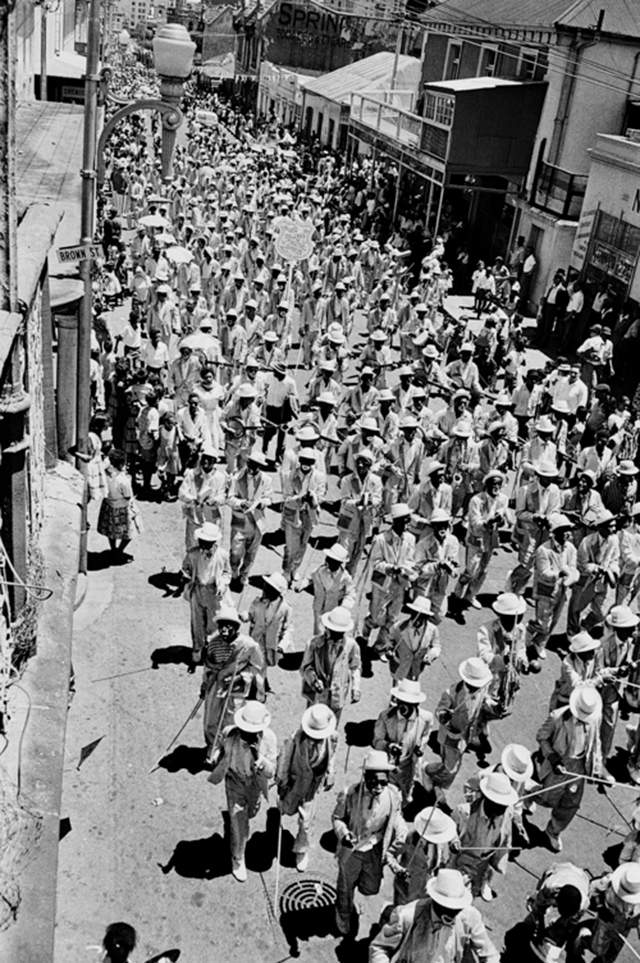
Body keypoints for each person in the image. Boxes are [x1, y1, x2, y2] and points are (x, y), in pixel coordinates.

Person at [332, 749, 407, 937]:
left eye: (384, 781)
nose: (379, 786)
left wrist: (402, 833)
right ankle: (343, 913)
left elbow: (397, 819)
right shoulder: (349, 793)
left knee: (370, 888)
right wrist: (344, 834)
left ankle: (352, 896)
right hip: (352, 850)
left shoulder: (393, 795)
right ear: (366, 776)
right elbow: (337, 818)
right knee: (345, 885)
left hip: (375, 849)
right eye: (375, 780)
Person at [208, 701, 277, 883]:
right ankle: (238, 857)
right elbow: (219, 749)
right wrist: (215, 757)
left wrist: (260, 759)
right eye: (245, 730)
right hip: (234, 782)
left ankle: (236, 826)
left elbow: (271, 772)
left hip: (254, 784)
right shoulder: (229, 733)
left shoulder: (269, 739)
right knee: (239, 822)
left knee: (251, 813)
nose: (248, 735)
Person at [536, 684, 610, 852]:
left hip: (578, 768)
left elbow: (595, 743)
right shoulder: (557, 717)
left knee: (571, 803)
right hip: (558, 765)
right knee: (546, 797)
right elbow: (541, 737)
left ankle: (553, 831)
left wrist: (598, 769)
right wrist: (552, 757)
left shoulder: (594, 718)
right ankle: (523, 799)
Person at [369, 867, 499, 963]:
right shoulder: (406, 916)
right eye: (447, 907)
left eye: (457, 908)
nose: (452, 913)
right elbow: (379, 948)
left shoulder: (470, 917)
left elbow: (490, 955)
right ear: (434, 901)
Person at [276, 704, 337, 872]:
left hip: (312, 786)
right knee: (287, 809)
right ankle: (281, 807)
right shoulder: (295, 737)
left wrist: (331, 773)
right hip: (294, 783)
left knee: (306, 822)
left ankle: (301, 850)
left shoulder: (332, 738)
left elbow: (332, 756)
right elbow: (284, 760)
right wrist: (281, 781)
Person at [200, 606, 265, 760]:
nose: (225, 629)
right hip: (216, 685)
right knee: (211, 718)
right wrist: (204, 686)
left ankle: (227, 750)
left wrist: (240, 677)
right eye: (221, 625)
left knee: (230, 719)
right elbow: (208, 668)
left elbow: (257, 667)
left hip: (236, 688)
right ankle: (212, 747)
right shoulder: (214, 643)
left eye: (229, 625)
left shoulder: (249, 645)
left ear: (236, 627)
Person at [427, 657, 494, 792]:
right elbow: (439, 712)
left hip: (466, 736)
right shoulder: (452, 693)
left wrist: (493, 706)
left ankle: (431, 773)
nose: (477, 687)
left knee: (454, 764)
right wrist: (445, 716)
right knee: (451, 767)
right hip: (450, 737)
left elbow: (485, 700)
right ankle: (434, 781)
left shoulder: (481, 690)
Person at [361, 502, 416, 658]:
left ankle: (380, 647)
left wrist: (407, 570)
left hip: (400, 585)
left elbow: (411, 559)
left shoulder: (410, 539)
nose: (408, 523)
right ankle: (366, 629)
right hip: (382, 584)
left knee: (392, 618)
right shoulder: (381, 539)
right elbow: (375, 562)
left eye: (408, 519)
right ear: (396, 521)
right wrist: (391, 568)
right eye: (405, 520)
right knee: (377, 617)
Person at [451, 771, 516, 901]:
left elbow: (505, 837)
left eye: (505, 804)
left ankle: (483, 879)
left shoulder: (507, 813)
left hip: (482, 865)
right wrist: (453, 841)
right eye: (499, 803)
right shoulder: (464, 812)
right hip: (458, 866)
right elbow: (448, 833)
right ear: (487, 798)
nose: (503, 809)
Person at [452, 471, 508, 610]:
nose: (496, 487)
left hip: (491, 539)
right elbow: (475, 523)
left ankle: (471, 596)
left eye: (499, 484)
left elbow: (505, 520)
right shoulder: (476, 500)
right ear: (487, 484)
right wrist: (489, 522)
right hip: (475, 538)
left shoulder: (503, 499)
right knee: (471, 569)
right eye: (493, 483)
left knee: (483, 570)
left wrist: (501, 521)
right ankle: (457, 592)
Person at [180, 521, 231, 670]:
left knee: (214, 622)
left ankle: (214, 650)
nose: (204, 544)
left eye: (207, 542)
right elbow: (186, 568)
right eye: (202, 541)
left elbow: (227, 573)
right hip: (197, 590)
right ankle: (197, 648)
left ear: (214, 542)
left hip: (214, 593)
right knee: (197, 621)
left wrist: (222, 584)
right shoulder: (192, 554)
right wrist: (185, 575)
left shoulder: (222, 555)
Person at [373, 679, 433, 805]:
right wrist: (388, 746)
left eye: (409, 703)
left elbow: (426, 734)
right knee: (385, 796)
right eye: (402, 701)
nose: (404, 706)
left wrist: (420, 747)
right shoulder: (385, 716)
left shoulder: (426, 718)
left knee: (405, 793)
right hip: (388, 765)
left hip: (408, 765)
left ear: (416, 704)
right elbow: (376, 741)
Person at [300, 605, 361, 724]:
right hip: (318, 695)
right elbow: (305, 667)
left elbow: (355, 667)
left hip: (337, 695)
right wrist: (313, 680)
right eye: (332, 631)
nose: (335, 635)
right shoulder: (314, 643)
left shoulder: (351, 645)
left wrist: (356, 688)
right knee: (313, 723)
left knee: (332, 725)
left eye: (339, 632)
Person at [477, 592, 528, 724]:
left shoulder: (520, 629)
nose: (517, 620)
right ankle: (478, 724)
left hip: (508, 679)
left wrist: (523, 661)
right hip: (491, 677)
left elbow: (521, 649)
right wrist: (502, 659)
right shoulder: (486, 630)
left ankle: (484, 722)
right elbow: (484, 656)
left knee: (503, 708)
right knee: (485, 703)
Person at [392, 806, 458, 905]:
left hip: (428, 885)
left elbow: (451, 832)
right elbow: (390, 854)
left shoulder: (440, 833)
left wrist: (454, 841)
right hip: (407, 889)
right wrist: (397, 868)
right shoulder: (408, 837)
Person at [281, 447, 327, 585]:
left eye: (310, 461)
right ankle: (286, 571)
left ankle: (295, 569)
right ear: (299, 461)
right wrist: (300, 499)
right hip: (293, 513)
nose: (306, 464)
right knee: (291, 545)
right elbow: (286, 497)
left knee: (302, 544)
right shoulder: (290, 475)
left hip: (309, 514)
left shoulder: (319, 476)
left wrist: (313, 499)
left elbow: (321, 495)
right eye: (304, 461)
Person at [227, 449, 272, 585]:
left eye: (257, 465)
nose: (253, 467)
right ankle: (234, 570)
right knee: (235, 551)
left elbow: (269, 498)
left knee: (251, 554)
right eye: (251, 464)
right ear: (247, 462)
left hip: (257, 522)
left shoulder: (266, 480)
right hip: (240, 521)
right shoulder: (237, 477)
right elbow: (229, 498)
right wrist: (241, 503)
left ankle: (244, 574)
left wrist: (262, 504)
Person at [414, 509, 460, 624]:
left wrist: (451, 568)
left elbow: (456, 567)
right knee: (419, 615)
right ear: (433, 526)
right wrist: (436, 566)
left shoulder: (453, 541)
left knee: (438, 615)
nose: (442, 528)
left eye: (444, 524)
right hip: (424, 586)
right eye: (438, 525)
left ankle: (426, 635)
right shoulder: (424, 544)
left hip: (441, 585)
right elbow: (418, 570)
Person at [588, 863, 640, 963]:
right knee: (598, 948)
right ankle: (582, 938)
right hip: (607, 920)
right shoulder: (609, 881)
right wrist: (600, 906)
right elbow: (593, 888)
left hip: (625, 927)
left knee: (612, 954)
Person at [178, 446, 227, 551]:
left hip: (211, 519)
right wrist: (193, 499)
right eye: (204, 458)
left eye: (209, 459)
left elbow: (222, 496)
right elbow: (182, 493)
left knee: (211, 548)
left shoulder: (220, 477)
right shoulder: (192, 474)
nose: (205, 461)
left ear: (214, 461)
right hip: (194, 517)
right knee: (192, 546)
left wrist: (215, 500)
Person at [301, 542, 355, 635]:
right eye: (328, 558)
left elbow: (350, 593)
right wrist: (302, 585)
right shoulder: (320, 570)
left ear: (339, 563)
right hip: (318, 606)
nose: (328, 561)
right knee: (318, 632)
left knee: (330, 633)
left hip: (333, 610)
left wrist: (344, 607)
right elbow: (309, 578)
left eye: (332, 560)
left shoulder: (345, 577)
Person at [97, 448, 138, 562]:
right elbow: (128, 496)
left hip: (109, 505)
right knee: (129, 532)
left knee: (111, 531)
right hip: (122, 508)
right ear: (122, 463)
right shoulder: (123, 480)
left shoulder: (105, 474)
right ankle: (119, 551)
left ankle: (113, 549)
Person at [388, 595, 441, 683]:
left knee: (411, 691)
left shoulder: (432, 630)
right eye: (415, 614)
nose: (418, 619)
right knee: (396, 691)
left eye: (422, 616)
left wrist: (431, 655)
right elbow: (389, 639)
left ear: (427, 617)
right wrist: (388, 649)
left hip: (416, 668)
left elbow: (436, 646)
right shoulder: (399, 627)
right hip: (399, 666)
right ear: (411, 613)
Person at [248, 572, 292, 677]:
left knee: (264, 664)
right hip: (257, 639)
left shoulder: (285, 608)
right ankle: (259, 690)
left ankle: (262, 682)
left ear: (277, 593)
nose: (265, 591)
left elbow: (288, 628)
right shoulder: (258, 603)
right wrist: (245, 616)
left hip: (271, 644)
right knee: (257, 663)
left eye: (270, 589)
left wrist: (283, 645)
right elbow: (251, 615)